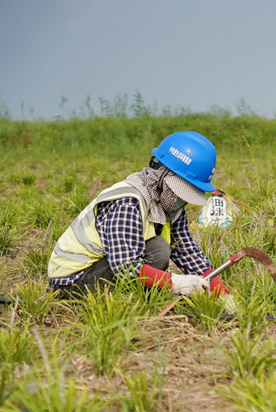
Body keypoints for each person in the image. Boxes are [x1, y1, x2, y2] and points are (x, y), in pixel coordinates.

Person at [48, 131, 234, 309]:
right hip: (73, 280)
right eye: (183, 191)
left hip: (105, 267)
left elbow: (187, 252)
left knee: (159, 247)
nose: (183, 200)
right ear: (164, 178)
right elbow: (126, 267)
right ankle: (125, 303)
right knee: (158, 250)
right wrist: (177, 282)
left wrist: (220, 291)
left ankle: (135, 298)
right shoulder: (127, 202)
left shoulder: (169, 204)